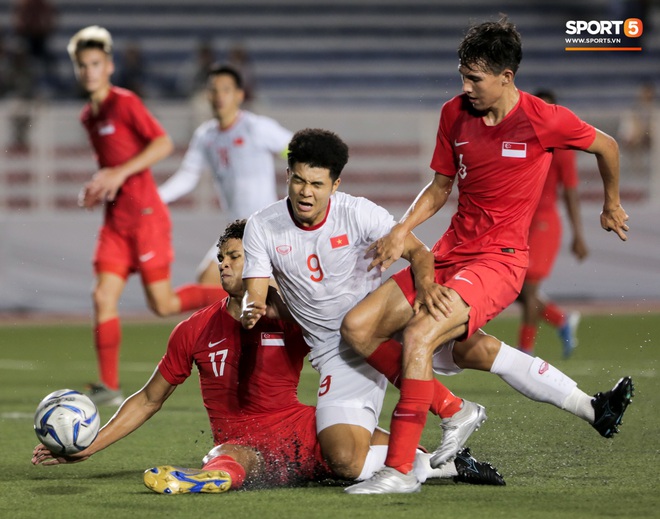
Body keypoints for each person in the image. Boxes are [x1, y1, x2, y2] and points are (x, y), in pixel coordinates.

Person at [341, 17, 632, 494]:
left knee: (419, 335)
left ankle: (398, 473)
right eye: (463, 75)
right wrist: (403, 229)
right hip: (451, 253)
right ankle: (464, 410)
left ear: (506, 77)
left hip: (500, 261)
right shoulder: (453, 114)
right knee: (358, 328)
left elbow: (607, 146)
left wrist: (612, 203)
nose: (466, 87)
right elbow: (439, 187)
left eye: (475, 78)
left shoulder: (544, 119)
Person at [31, 220, 505, 493]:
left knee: (399, 455)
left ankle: (451, 463)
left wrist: (429, 366)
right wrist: (89, 447)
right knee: (226, 454)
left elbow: (366, 350)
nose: (224, 265)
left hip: (309, 432)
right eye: (221, 258)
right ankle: (208, 479)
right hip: (247, 445)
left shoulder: (297, 316)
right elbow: (148, 398)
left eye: (235, 257)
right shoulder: (192, 330)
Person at [241, 128, 487, 491]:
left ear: (335, 184)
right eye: (298, 180)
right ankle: (442, 465)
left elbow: (419, 253)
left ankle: (588, 406)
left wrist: (426, 291)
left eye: (317, 183)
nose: (305, 192)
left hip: (382, 333)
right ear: (287, 175)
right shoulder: (262, 225)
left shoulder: (359, 213)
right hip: (333, 353)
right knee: (342, 461)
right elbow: (255, 293)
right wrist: (251, 307)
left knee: (484, 350)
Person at [67, 26, 227, 406]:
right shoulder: (89, 116)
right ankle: (109, 386)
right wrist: (99, 184)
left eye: (95, 63)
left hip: (145, 217)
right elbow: (112, 162)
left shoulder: (125, 103)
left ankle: (240, 292)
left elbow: (163, 143)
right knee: (102, 295)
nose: (89, 71)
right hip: (116, 222)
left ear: (108, 66)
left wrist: (119, 173)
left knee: (163, 304)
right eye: (82, 65)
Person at [159, 63, 292, 285]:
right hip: (236, 230)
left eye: (226, 90)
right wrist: (156, 197)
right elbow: (188, 176)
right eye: (213, 90)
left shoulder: (255, 127)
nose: (219, 96)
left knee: (270, 296)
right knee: (209, 281)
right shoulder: (206, 136)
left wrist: (298, 169)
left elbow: (293, 149)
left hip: (265, 228)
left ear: (239, 95)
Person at [516, 89, 588, 357]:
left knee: (529, 288)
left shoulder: (562, 148)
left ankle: (525, 352)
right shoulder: (521, 142)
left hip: (544, 224)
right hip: (520, 222)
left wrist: (578, 235)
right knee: (512, 287)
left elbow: (570, 192)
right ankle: (561, 320)